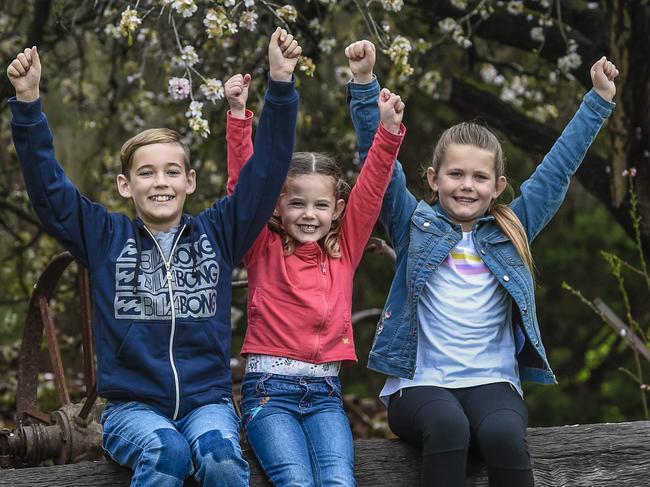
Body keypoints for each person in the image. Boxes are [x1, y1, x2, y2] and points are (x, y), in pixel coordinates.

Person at [6, 27, 301, 487]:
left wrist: (280, 86)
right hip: (132, 409)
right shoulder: (105, 236)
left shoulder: (219, 232)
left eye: (170, 171)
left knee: (222, 459)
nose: (159, 182)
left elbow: (266, 174)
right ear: (127, 185)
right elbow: (50, 194)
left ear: (190, 181)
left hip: (209, 403)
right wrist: (28, 106)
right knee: (167, 451)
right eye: (146, 172)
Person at [345, 39, 618, 486]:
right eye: (455, 174)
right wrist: (363, 85)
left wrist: (598, 101)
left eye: (479, 177)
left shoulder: (513, 228)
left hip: (492, 382)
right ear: (434, 179)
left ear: (498, 186)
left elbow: (558, 168)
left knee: (504, 436)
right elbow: (378, 168)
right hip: (420, 386)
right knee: (450, 428)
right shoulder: (413, 223)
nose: (466, 186)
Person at [222, 56, 406, 486]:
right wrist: (237, 117)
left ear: (337, 209)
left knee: (339, 480)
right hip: (269, 393)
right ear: (278, 206)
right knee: (296, 480)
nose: (309, 214)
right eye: (297, 203)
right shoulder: (262, 245)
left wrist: (389, 131)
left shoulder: (346, 245)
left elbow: (374, 184)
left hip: (325, 395)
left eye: (321, 205)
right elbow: (242, 188)